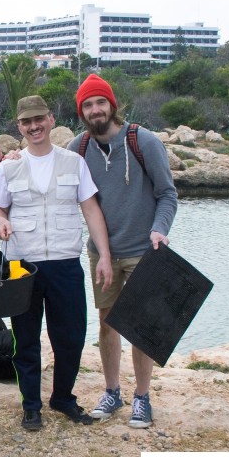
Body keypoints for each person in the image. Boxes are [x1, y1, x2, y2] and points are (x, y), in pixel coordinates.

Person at [0, 95, 113, 431]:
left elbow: (91, 211)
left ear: (51, 119)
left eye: (39, 119)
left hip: (65, 263)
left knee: (70, 337)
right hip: (21, 266)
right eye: (27, 122)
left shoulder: (74, 162)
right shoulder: (7, 166)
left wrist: (104, 257)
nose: (34, 127)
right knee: (25, 339)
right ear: (19, 127)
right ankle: (31, 406)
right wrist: (0, 221)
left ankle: (63, 398)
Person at [69, 74, 178, 429]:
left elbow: (167, 194)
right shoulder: (78, 148)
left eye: (100, 102)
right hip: (102, 254)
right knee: (106, 326)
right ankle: (112, 391)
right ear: (81, 111)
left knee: (142, 329)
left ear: (112, 105)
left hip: (144, 250)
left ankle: (142, 398)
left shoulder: (142, 140)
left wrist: (160, 230)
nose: (95, 109)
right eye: (88, 104)